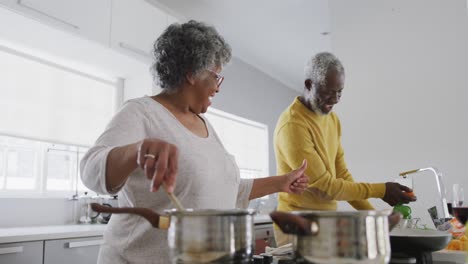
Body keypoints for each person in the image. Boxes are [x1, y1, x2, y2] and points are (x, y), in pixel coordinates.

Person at [80, 20, 309, 264]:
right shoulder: (141, 112)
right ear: (192, 72)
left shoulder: (205, 125)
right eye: (216, 76)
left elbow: (228, 189)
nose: (218, 88)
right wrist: (137, 149)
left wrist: (282, 182)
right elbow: (90, 171)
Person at [273, 52, 416, 246]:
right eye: (329, 91)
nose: (336, 98)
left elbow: (342, 176)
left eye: (340, 91)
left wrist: (376, 218)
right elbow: (326, 187)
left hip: (326, 224)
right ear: (309, 85)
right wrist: (382, 190)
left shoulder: (332, 120)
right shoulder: (292, 125)